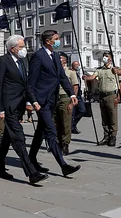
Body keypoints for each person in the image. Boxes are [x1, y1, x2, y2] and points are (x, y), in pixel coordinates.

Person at [0, 35, 48, 185]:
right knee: (19, 138)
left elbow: (26, 85)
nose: (23, 50)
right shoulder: (3, 61)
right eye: (21, 47)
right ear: (12, 48)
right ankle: (32, 173)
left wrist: (33, 101)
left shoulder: (22, 62)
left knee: (8, 138)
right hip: (8, 106)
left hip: (19, 106)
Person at [27, 30, 81, 177]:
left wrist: (71, 94)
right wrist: (31, 100)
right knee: (51, 132)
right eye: (56, 39)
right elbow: (31, 81)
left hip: (53, 99)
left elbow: (62, 77)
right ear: (48, 41)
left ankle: (30, 159)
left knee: (41, 131)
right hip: (42, 101)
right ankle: (63, 165)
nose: (59, 41)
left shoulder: (56, 56)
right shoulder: (38, 56)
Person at [83, 52, 120, 146]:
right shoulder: (99, 70)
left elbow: (120, 83)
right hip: (102, 95)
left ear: (111, 58)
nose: (104, 58)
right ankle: (106, 136)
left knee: (113, 117)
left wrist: (119, 96)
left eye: (107, 56)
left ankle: (113, 137)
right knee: (104, 117)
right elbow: (93, 77)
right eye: (104, 56)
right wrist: (86, 77)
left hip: (111, 95)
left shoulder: (114, 70)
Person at [54, 53, 79, 156]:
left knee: (66, 123)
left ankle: (65, 144)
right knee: (55, 122)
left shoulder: (70, 72)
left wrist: (72, 102)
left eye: (61, 59)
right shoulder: (54, 70)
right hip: (55, 98)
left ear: (65, 60)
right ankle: (57, 143)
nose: (59, 60)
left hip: (65, 98)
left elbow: (75, 87)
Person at [70, 60, 86, 134]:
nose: (78, 66)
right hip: (72, 95)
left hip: (79, 95)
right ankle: (70, 128)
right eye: (76, 65)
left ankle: (73, 124)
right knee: (72, 113)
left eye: (78, 65)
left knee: (82, 110)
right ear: (73, 65)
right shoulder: (70, 72)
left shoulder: (77, 74)